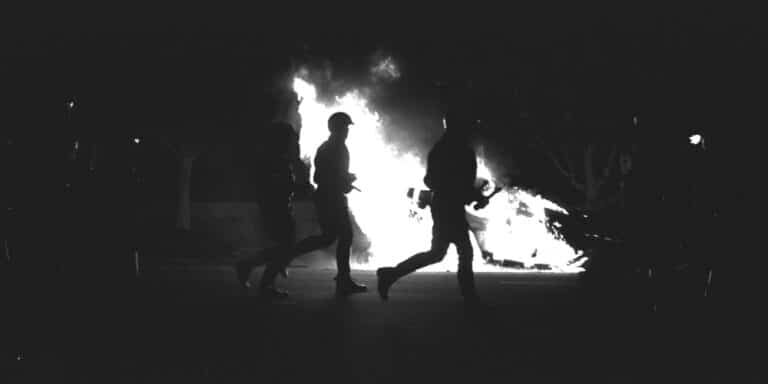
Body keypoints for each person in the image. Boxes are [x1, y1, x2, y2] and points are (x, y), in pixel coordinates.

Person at [376, 109, 489, 303]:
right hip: (447, 208)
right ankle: (470, 298)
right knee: (463, 251)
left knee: (438, 253)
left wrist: (472, 195)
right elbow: (433, 180)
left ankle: (391, 274)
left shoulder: (448, 148)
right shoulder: (451, 149)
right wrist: (466, 194)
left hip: (446, 206)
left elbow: (454, 182)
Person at [258, 112, 367, 297]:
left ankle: (291, 256)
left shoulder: (330, 147)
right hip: (331, 197)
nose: (347, 131)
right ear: (337, 128)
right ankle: (342, 279)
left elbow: (323, 176)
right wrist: (344, 181)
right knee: (343, 236)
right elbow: (321, 177)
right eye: (345, 127)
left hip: (328, 196)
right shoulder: (335, 148)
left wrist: (343, 180)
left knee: (329, 237)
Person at [235, 121, 298, 296]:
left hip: (278, 207)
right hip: (276, 209)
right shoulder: (273, 160)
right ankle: (258, 275)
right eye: (290, 138)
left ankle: (253, 267)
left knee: (285, 247)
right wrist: (295, 188)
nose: (293, 141)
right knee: (286, 247)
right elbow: (275, 186)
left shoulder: (277, 158)